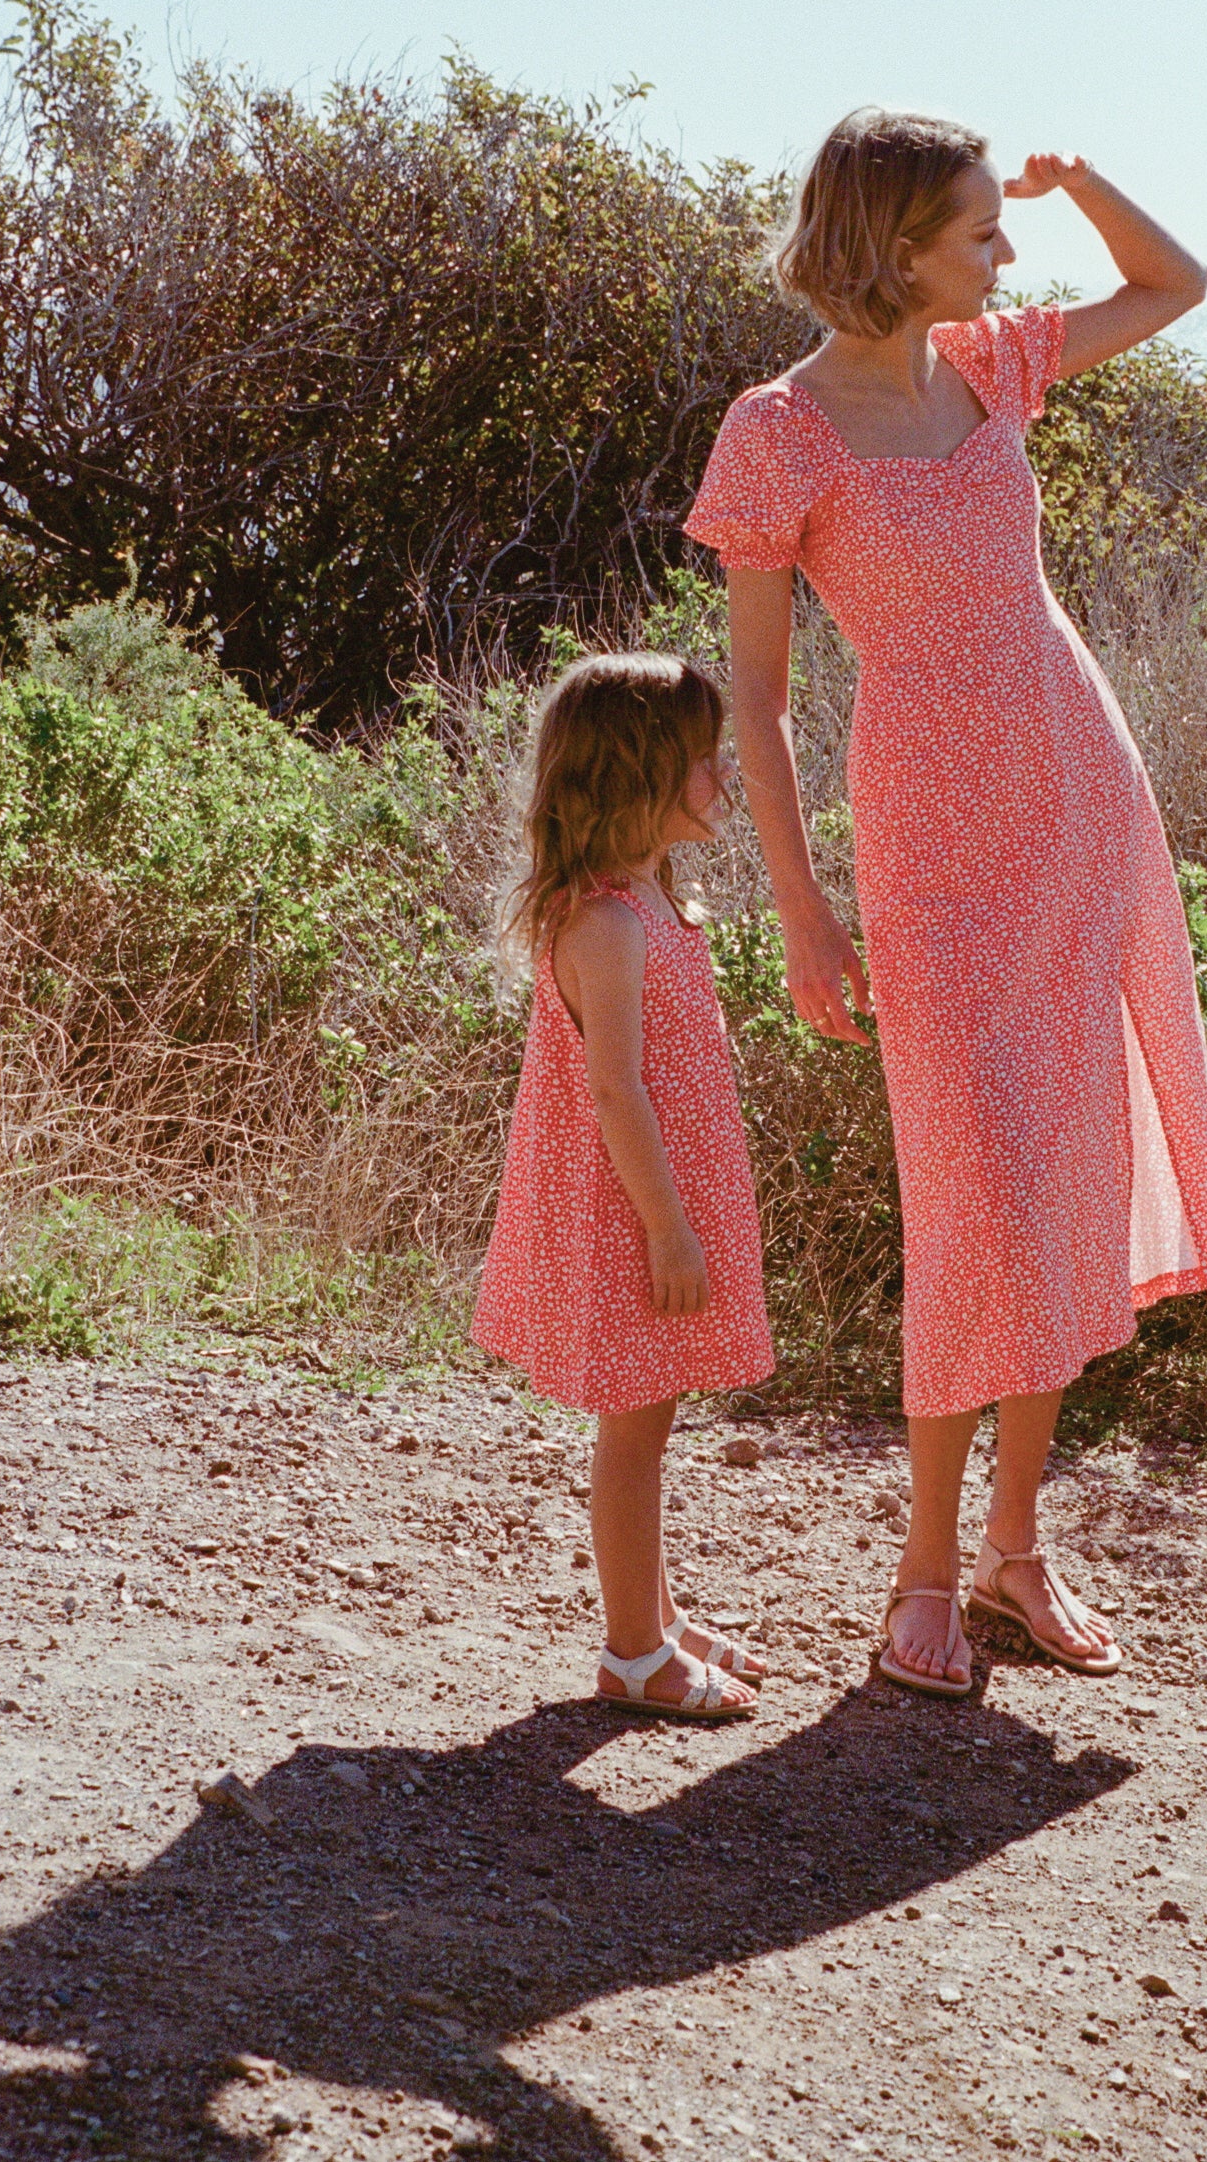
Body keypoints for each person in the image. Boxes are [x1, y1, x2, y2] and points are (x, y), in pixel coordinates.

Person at [685, 111, 1207, 1697]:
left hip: (1077, 790)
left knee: (1060, 1169)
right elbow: (761, 693)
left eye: (1005, 229)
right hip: (929, 834)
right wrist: (795, 905)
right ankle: (922, 1570)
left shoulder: (990, 364)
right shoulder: (777, 431)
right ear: (890, 243)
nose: (1006, 256)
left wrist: (1083, 184)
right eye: (982, 231)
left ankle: (1011, 1550)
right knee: (968, 1188)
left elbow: (1177, 282)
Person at [472, 653, 773, 1720]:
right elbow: (614, 1093)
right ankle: (633, 1651)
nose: (723, 771)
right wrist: (668, 1228)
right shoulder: (602, 923)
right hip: (630, 1212)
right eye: (702, 756)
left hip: (660, 1201)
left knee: (660, 1412)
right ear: (638, 775)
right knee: (636, 1429)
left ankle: (657, 1607)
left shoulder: (652, 900)